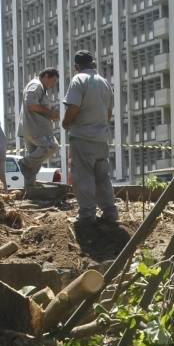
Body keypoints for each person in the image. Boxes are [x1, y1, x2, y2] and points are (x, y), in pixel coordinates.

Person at [62, 50, 117, 225]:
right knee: (102, 177)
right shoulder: (105, 83)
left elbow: (73, 108)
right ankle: (110, 212)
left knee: (83, 176)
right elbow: (109, 113)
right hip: (101, 139)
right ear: (93, 63)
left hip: (83, 138)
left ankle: (86, 216)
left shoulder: (78, 80)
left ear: (76, 67)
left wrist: (66, 123)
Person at [17, 68, 60, 191]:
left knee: (34, 164)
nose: (53, 84)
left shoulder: (40, 88)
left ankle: (30, 189)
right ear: (46, 76)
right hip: (35, 129)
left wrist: (50, 115)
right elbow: (31, 104)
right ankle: (24, 162)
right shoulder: (36, 85)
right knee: (52, 146)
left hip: (32, 128)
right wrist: (51, 113)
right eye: (53, 80)